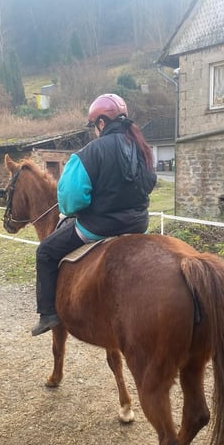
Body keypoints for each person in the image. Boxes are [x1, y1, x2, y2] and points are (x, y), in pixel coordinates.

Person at [31, 93, 158, 336]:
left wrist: (86, 207)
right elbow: (149, 183)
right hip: (138, 224)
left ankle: (48, 314)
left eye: (94, 126)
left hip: (98, 227)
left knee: (45, 252)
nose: (95, 131)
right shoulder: (143, 149)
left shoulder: (89, 153)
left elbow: (70, 202)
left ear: (101, 123)